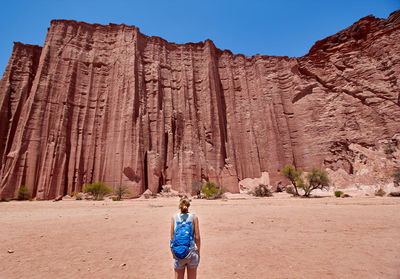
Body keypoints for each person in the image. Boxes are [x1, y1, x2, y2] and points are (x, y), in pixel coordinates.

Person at [170, 196, 201, 279]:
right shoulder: (194, 217)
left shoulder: (174, 217)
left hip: (178, 251)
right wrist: (198, 252)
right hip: (192, 251)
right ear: (188, 205)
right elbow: (197, 237)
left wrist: (173, 252)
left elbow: (172, 237)